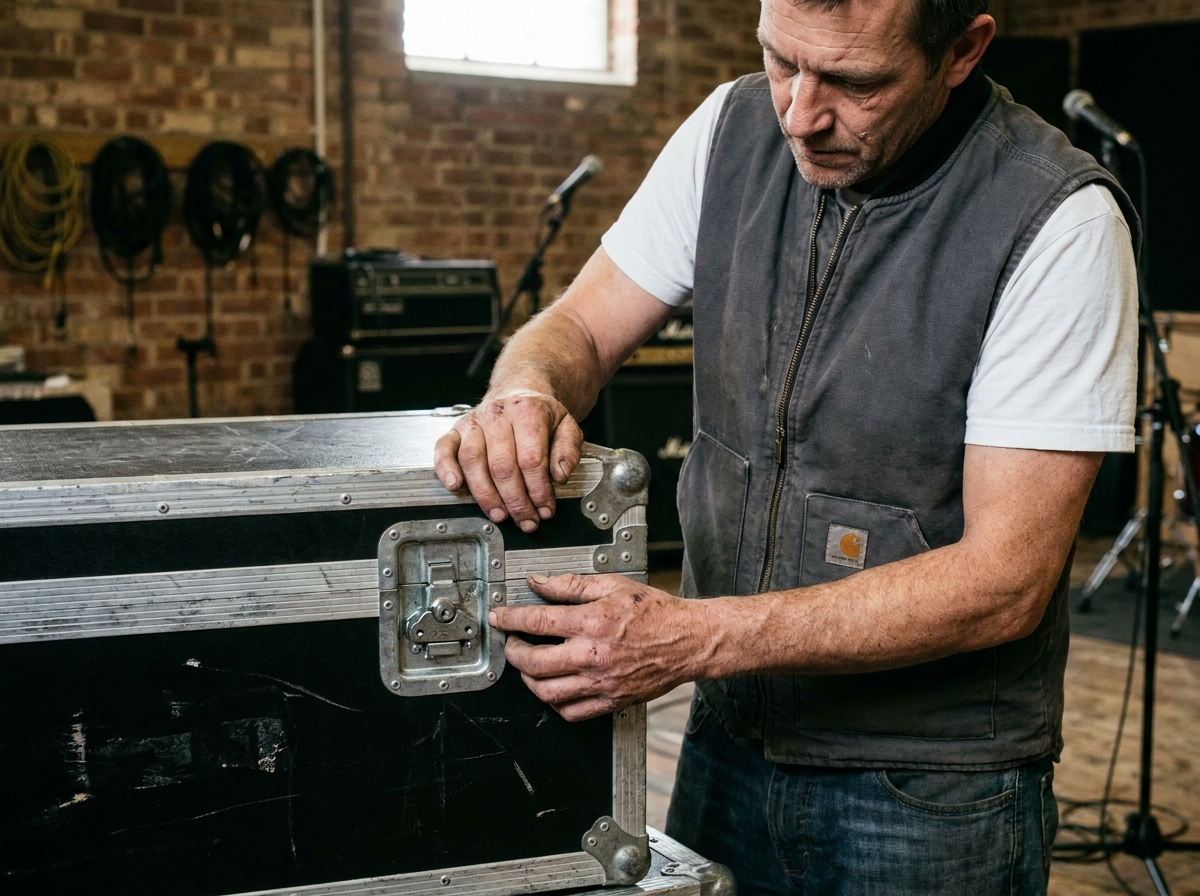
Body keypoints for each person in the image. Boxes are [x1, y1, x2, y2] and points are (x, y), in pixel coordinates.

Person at [434, 0, 1139, 892]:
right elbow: (577, 324)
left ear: (962, 50)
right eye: (779, 61)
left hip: (928, 788)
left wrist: (690, 639)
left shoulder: (1060, 220)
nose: (801, 114)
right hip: (728, 740)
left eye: (855, 81)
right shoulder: (728, 130)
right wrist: (524, 390)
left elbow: (1006, 583)